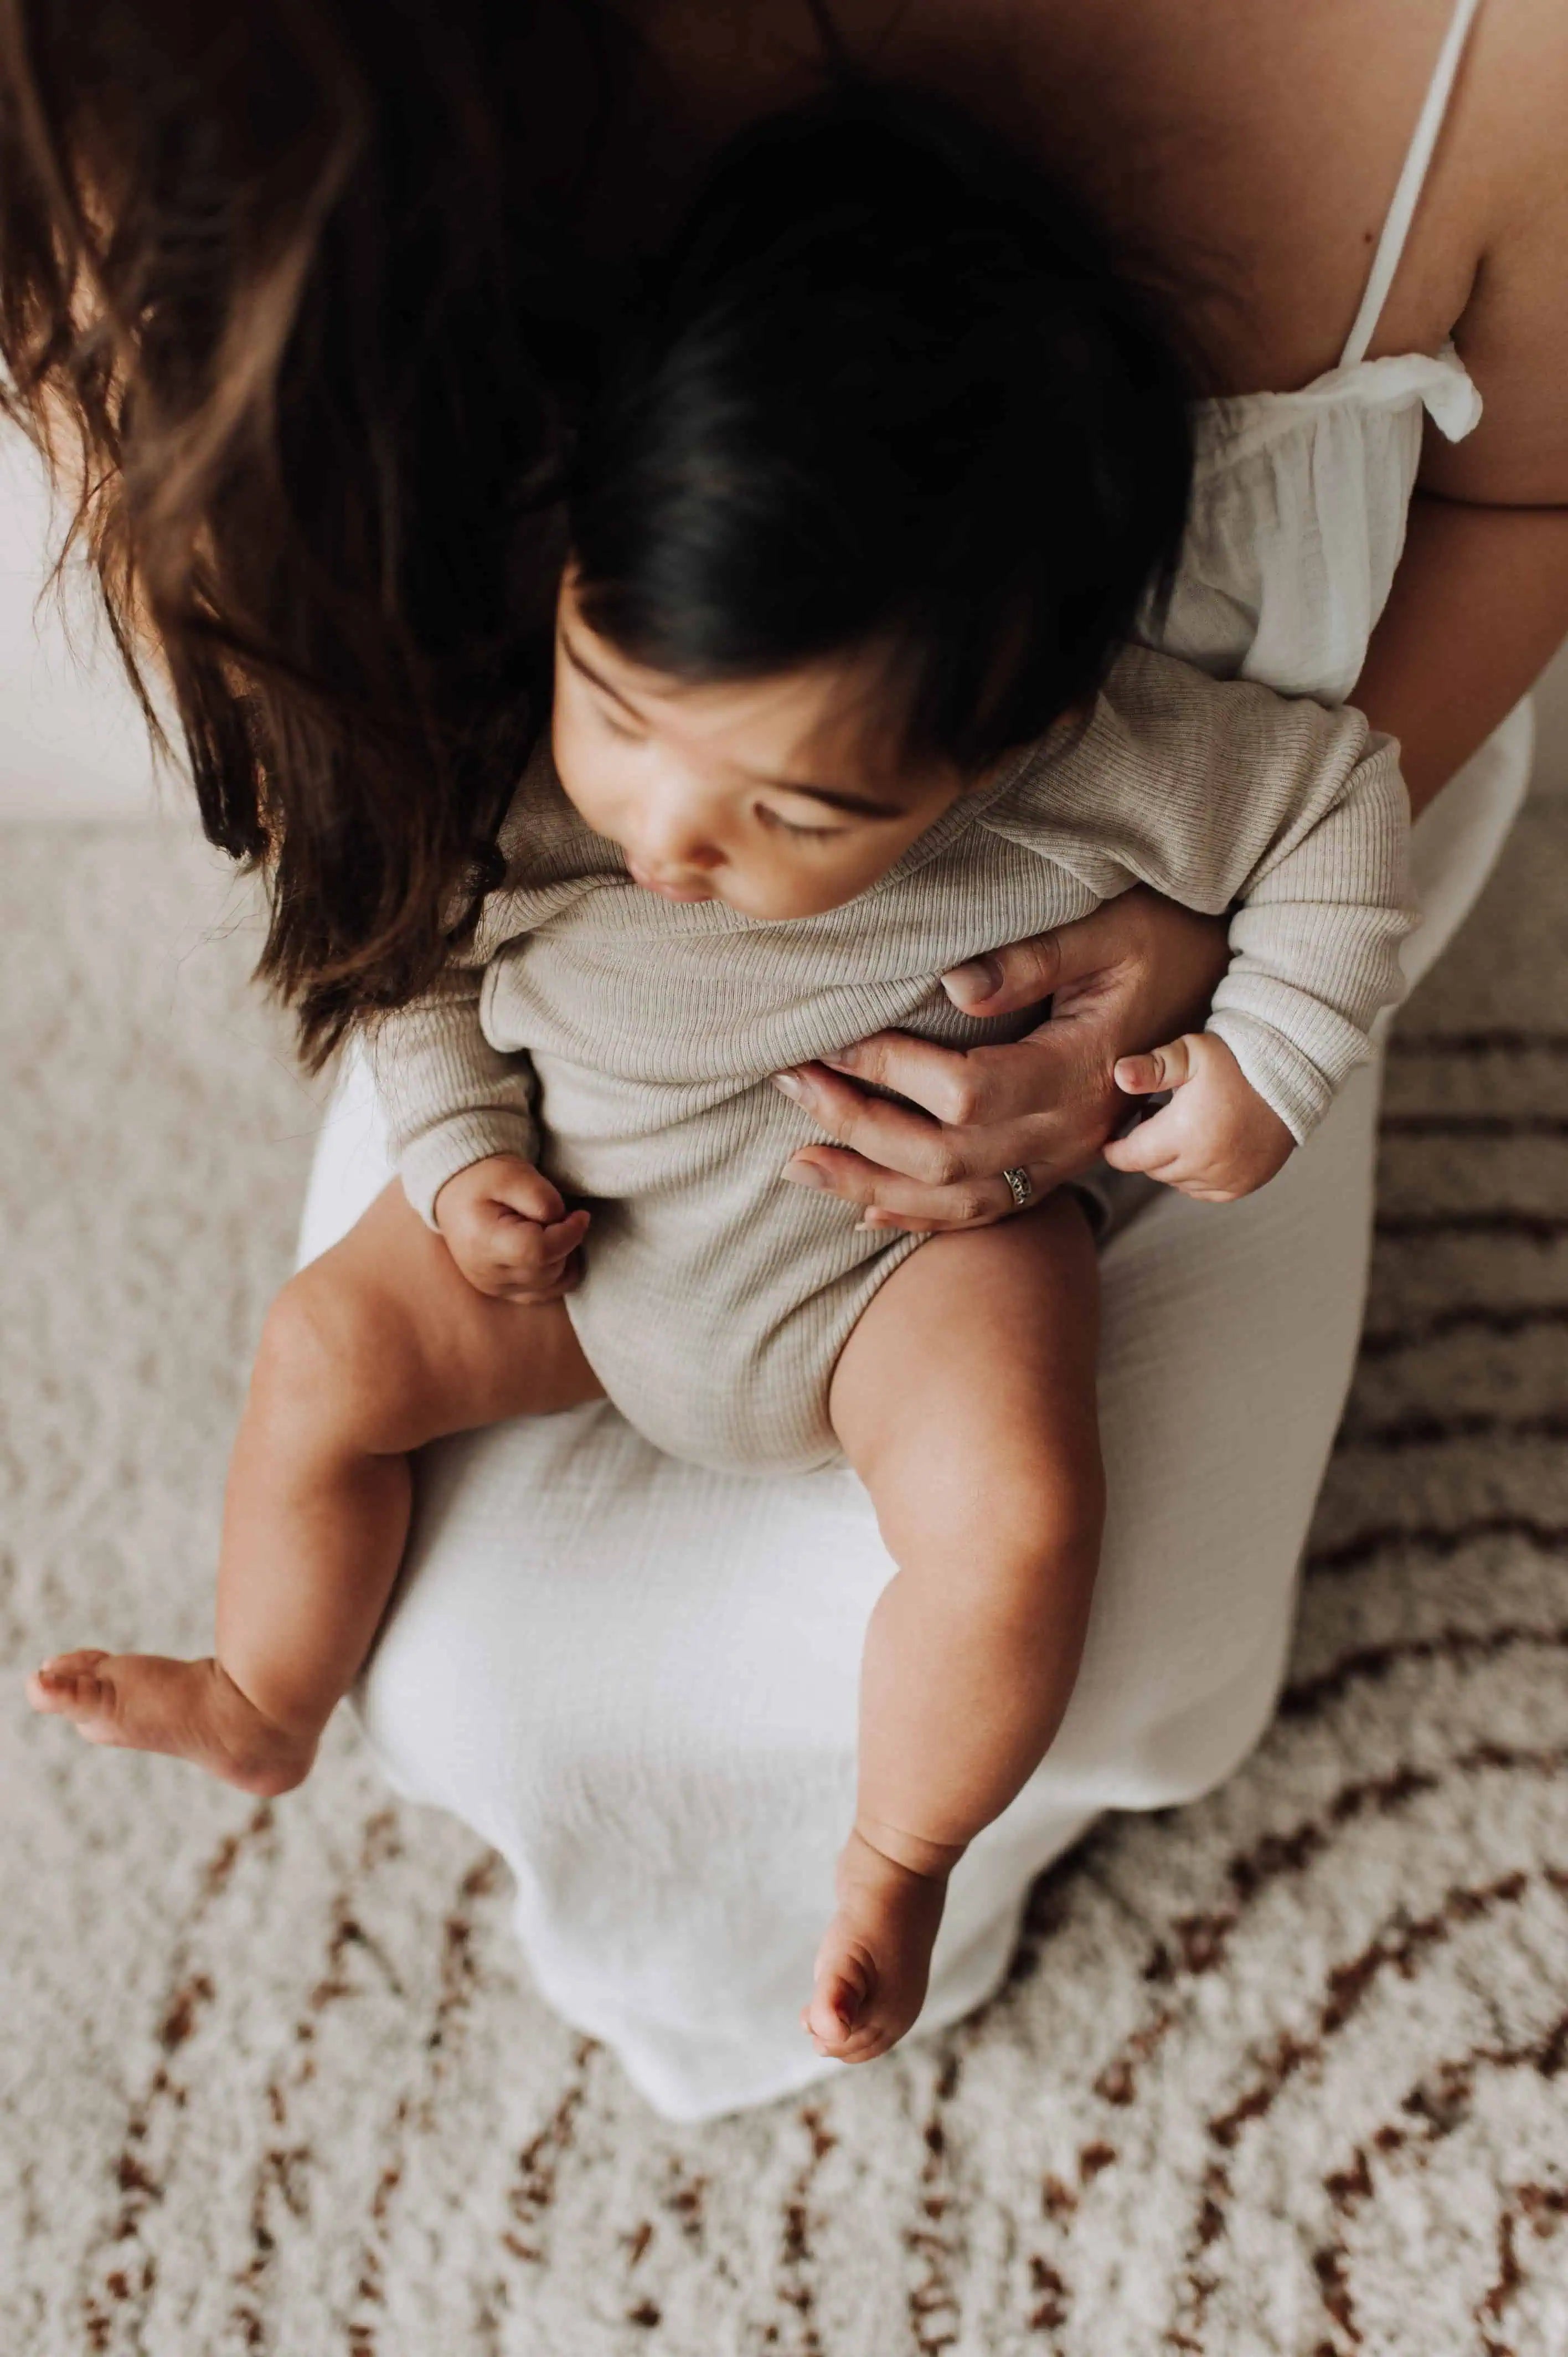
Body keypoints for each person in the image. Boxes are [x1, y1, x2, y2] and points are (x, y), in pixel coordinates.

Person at [6, 0, 1566, 2116]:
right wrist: (459, 1153)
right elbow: (419, 952)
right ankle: (267, 1690)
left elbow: (1331, 803)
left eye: (800, 814)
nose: (672, 843)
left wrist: (1242, 1040)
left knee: (1027, 1531)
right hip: (585, 1210)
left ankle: (897, 1859)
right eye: (624, 732)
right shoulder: (565, 741)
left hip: (923, 1249)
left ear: (1000, 739)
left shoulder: (1114, 754)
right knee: (324, 1367)